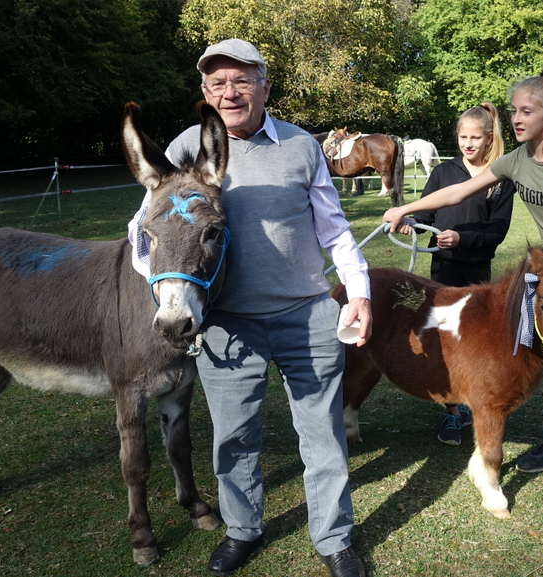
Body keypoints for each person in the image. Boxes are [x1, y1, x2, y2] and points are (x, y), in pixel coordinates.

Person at [127, 39, 371, 577]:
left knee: (323, 434)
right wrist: (167, 289)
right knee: (233, 437)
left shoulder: (301, 145)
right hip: (227, 324)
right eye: (217, 83)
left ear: (265, 86)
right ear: (204, 90)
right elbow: (143, 229)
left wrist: (358, 292)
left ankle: (334, 538)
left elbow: (334, 228)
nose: (230, 92)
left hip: (306, 314)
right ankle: (242, 529)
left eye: (242, 80)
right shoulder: (185, 147)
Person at [383, 63, 543, 518]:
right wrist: (407, 208)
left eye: (527, 111)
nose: (516, 119)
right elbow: (460, 191)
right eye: (514, 111)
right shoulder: (517, 160)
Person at [396, 102, 515, 446]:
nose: (468, 144)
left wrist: (463, 238)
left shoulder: (500, 180)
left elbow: (497, 232)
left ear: (489, 138)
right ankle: (451, 411)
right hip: (443, 272)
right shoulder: (443, 172)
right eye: (463, 137)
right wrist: (412, 223)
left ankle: (474, 400)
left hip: (477, 275)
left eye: (475, 138)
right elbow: (427, 214)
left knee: (474, 343)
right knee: (446, 340)